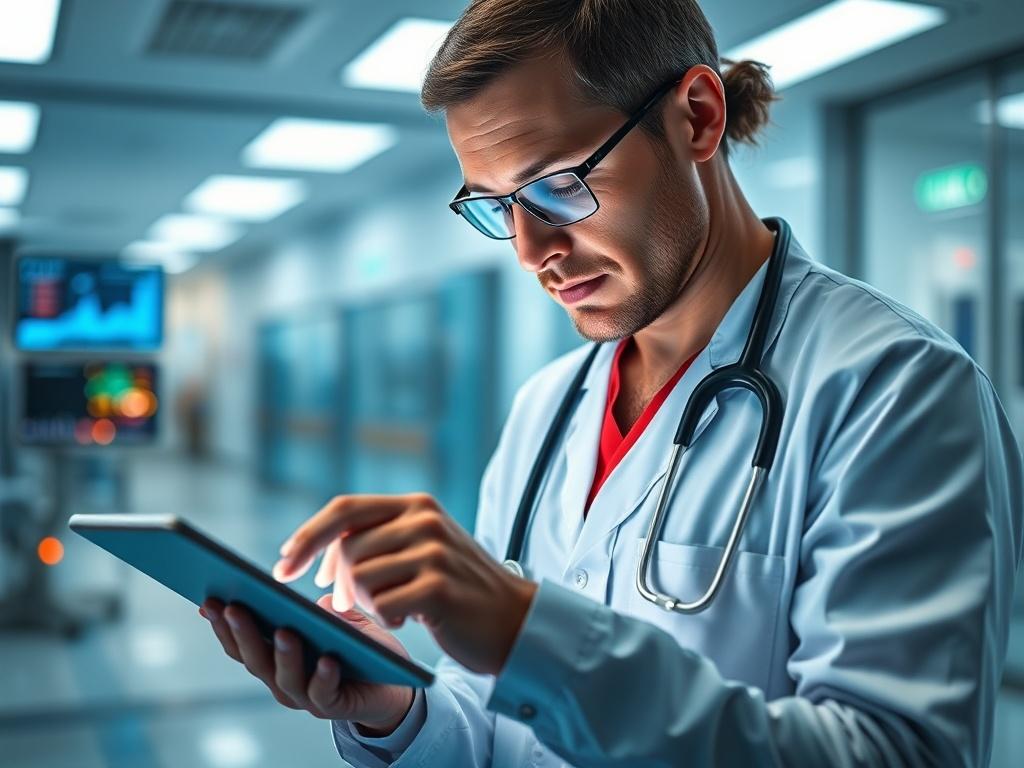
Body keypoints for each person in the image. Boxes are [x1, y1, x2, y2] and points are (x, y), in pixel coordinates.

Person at [200, 1, 1024, 765]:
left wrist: (534, 637)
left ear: (697, 117)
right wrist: (394, 709)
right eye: (496, 207)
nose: (530, 251)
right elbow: (503, 727)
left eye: (559, 185)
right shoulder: (547, 407)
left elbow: (898, 753)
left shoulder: (896, 390)